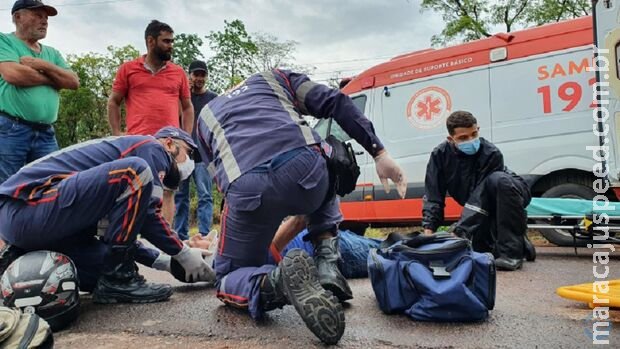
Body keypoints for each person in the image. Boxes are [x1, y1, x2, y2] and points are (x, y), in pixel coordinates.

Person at [195, 69, 407, 344]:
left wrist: (248, 210)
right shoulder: (277, 79)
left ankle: (274, 283)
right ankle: (328, 264)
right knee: (331, 159)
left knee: (227, 277)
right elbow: (336, 102)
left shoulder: (204, 116)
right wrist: (379, 152)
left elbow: (220, 178)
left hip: (247, 188)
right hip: (306, 173)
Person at [0, 127, 213, 304]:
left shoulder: (112, 187)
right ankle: (118, 281)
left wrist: (166, 262)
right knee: (136, 172)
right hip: (27, 204)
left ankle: (19, 258)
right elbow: (149, 215)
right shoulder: (152, 148)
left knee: (102, 271)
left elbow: (117, 235)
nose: (191, 163)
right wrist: (182, 253)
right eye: (189, 153)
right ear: (168, 144)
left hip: (29, 221)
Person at [422, 110, 535, 271]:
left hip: (508, 191)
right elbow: (433, 195)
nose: (471, 140)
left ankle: (511, 256)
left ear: (478, 129)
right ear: (450, 139)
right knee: (480, 248)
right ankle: (521, 244)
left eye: (474, 134)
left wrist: (459, 231)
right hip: (479, 202)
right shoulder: (440, 155)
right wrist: (428, 232)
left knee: (498, 179)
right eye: (463, 138)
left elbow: (482, 196)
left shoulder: (492, 153)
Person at [0, 0, 80, 184]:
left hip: (46, 133)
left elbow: (73, 82)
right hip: (11, 129)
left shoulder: (52, 53)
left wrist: (41, 65)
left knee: (51, 187)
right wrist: (54, 79)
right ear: (18, 17)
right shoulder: (4, 40)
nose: (44, 22)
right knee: (7, 188)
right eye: (37, 15)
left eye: (45, 18)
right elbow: (14, 75)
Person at [107, 20, 193, 137]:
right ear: (151, 41)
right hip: (137, 142)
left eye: (172, 42)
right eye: (166, 41)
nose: (171, 46)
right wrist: (116, 133)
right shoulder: (127, 69)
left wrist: (186, 138)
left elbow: (187, 107)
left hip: (170, 143)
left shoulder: (179, 72)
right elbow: (113, 101)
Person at [173, 60, 217, 240]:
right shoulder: (182, 97)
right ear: (189, 75)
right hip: (183, 153)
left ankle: (204, 235)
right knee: (180, 197)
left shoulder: (213, 98)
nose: (199, 78)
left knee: (205, 196)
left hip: (204, 155)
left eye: (202, 74)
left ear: (206, 76)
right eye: (195, 74)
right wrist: (185, 94)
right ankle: (180, 236)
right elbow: (174, 116)